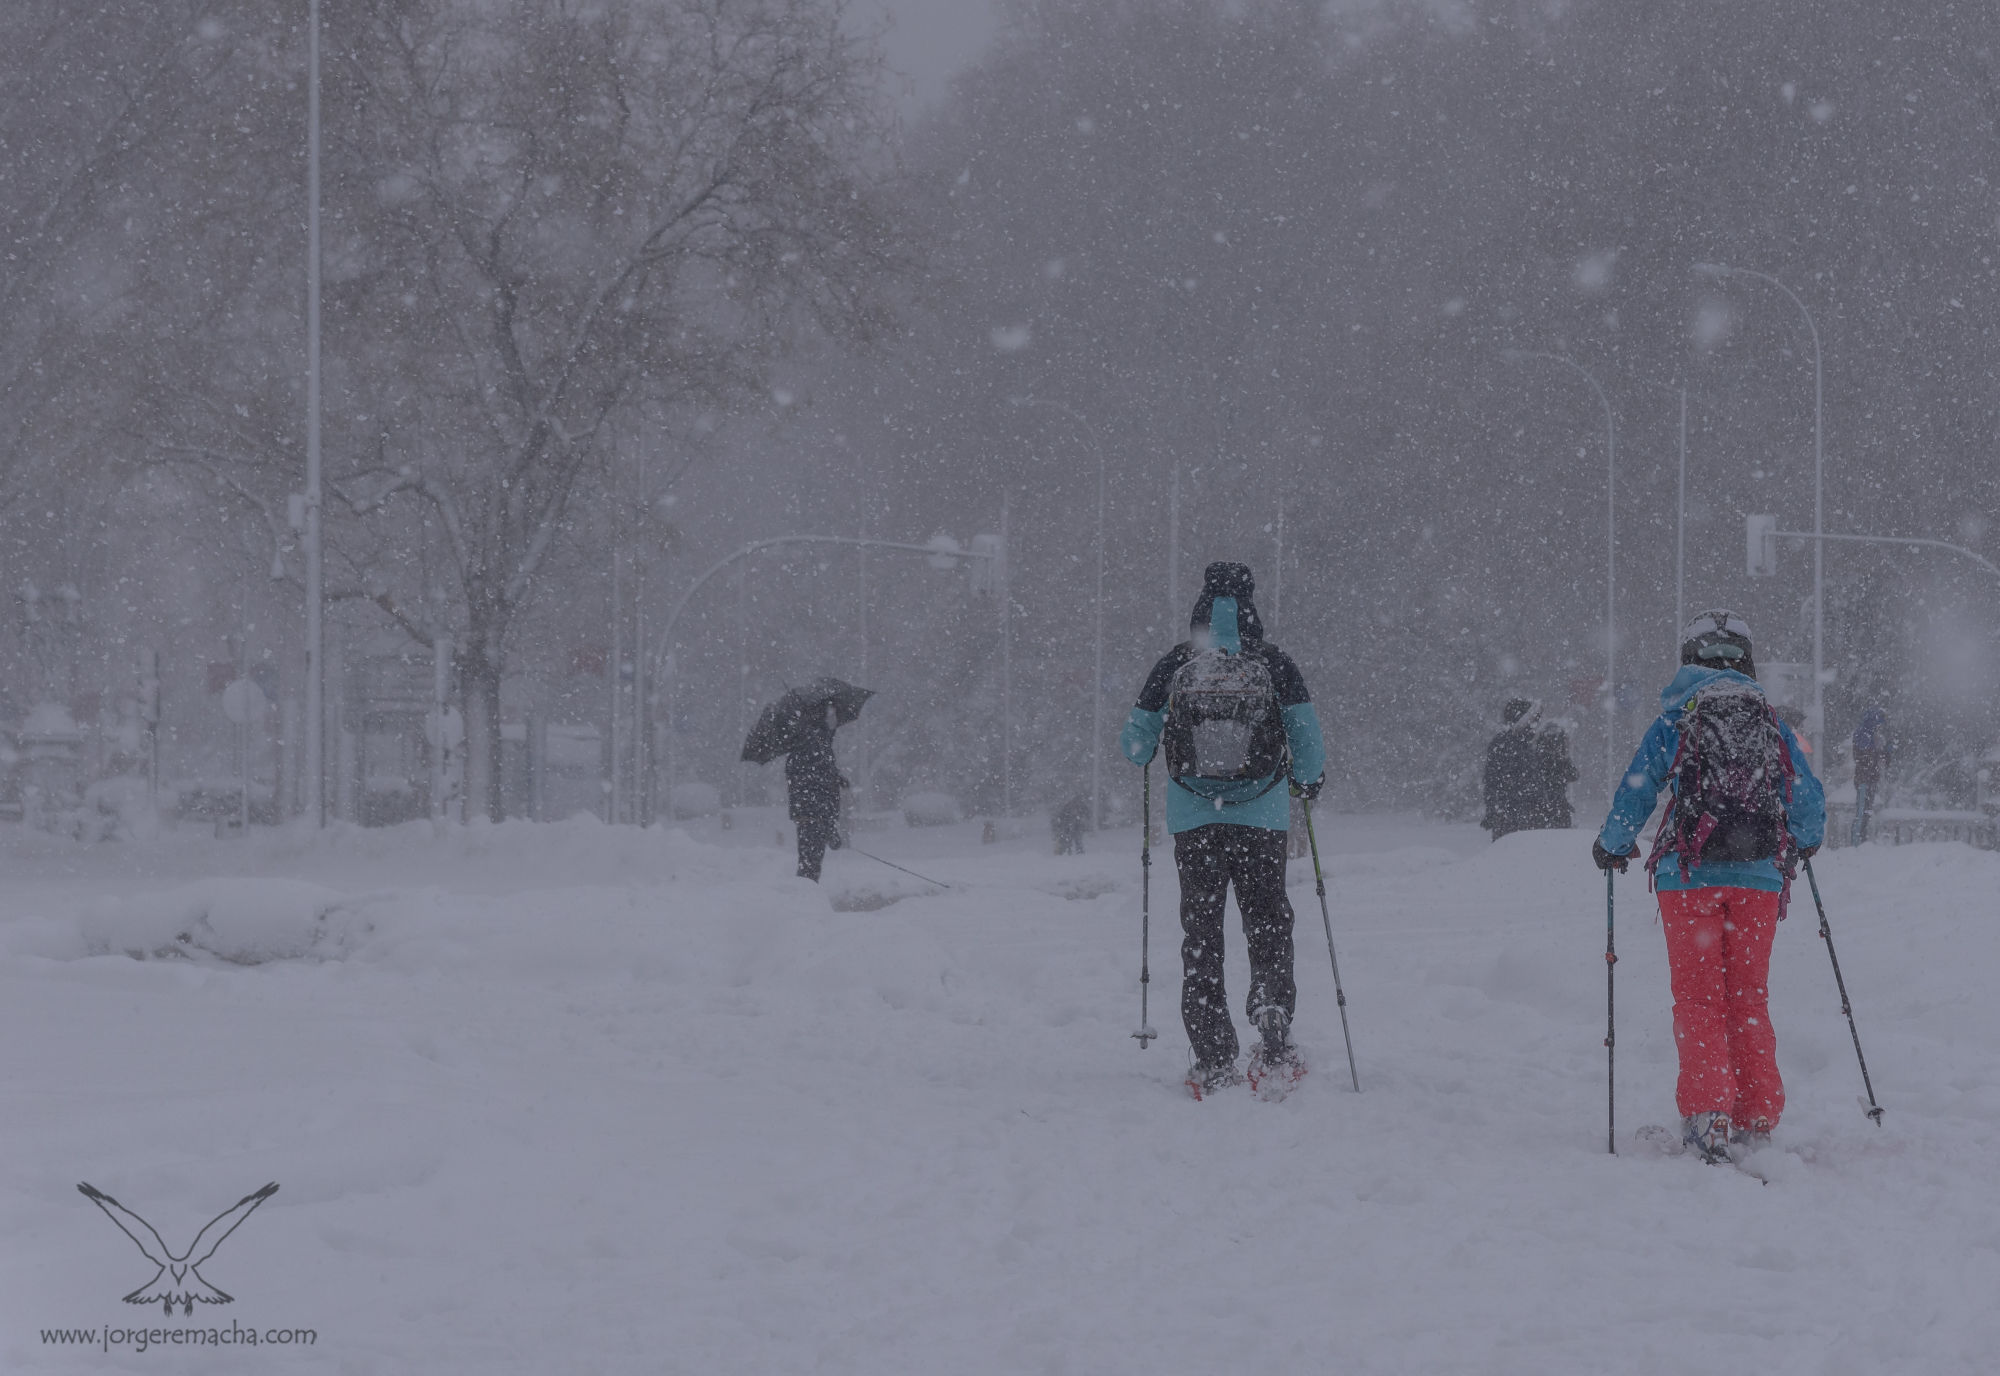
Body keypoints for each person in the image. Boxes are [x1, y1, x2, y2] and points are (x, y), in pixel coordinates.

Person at [1592, 610, 1824, 1163]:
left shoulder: (1677, 716)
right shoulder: (1770, 721)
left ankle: (1708, 1112)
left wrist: (1613, 844)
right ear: (1747, 661)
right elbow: (1806, 796)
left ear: (1688, 659)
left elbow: (1638, 788)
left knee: (1699, 999)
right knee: (1748, 997)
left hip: (1689, 877)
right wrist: (1804, 841)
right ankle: (1758, 1113)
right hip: (1759, 880)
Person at [1119, 561, 1327, 1096]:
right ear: (1253, 607)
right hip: (1262, 816)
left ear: (1201, 608)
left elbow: (1136, 746)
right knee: (1268, 920)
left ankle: (1213, 1057)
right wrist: (1306, 782)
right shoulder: (1275, 664)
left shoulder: (1176, 663)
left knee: (1202, 934)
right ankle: (1273, 1017)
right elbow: (1305, 736)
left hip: (1195, 823)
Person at [1480, 698, 1577, 839]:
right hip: (1520, 820)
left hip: (1523, 819)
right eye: (1532, 719)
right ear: (1521, 720)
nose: (1535, 724)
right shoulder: (1511, 745)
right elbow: (1495, 781)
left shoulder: (1525, 745)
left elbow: (1564, 775)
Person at [785, 704, 847, 882]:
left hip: (812, 813)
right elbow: (811, 781)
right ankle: (804, 899)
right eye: (830, 714)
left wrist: (836, 777)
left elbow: (812, 777)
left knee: (810, 863)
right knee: (810, 864)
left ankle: (805, 896)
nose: (833, 718)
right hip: (812, 814)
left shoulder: (816, 741)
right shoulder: (812, 742)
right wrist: (827, 824)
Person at [1850, 706, 1892, 846]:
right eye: (1878, 723)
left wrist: (1886, 752)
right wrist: (1877, 752)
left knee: (1866, 811)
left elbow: (1882, 760)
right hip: (1863, 779)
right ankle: (1856, 842)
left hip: (1871, 778)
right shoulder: (1863, 734)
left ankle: (1861, 841)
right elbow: (1862, 758)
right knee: (1862, 810)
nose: (1880, 727)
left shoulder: (1874, 736)